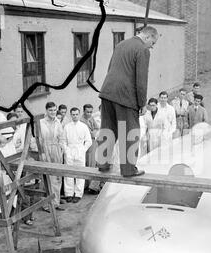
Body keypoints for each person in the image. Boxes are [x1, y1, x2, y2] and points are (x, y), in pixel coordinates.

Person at [97, 26, 159, 177]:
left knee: (108, 128)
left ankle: (103, 164)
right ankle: (129, 170)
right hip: (125, 96)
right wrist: (142, 103)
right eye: (153, 42)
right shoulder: (143, 49)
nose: (152, 46)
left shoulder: (121, 44)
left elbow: (110, 68)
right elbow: (141, 80)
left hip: (108, 92)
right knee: (130, 132)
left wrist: (110, 90)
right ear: (148, 37)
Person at [40, 102, 66, 211]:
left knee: (57, 176)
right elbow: (37, 138)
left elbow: (62, 137)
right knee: (46, 177)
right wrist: (42, 152)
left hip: (56, 150)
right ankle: (46, 204)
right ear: (46, 111)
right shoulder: (41, 122)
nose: (53, 112)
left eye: (54, 110)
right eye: (50, 110)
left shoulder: (58, 122)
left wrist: (61, 148)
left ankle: (56, 202)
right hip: (45, 150)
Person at [63, 108, 92, 203]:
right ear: (70, 115)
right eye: (73, 114)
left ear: (79, 115)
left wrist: (83, 150)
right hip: (70, 150)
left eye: (76, 114)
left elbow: (88, 141)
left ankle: (78, 194)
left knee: (80, 173)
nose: (75, 116)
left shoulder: (83, 126)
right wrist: (67, 151)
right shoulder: (67, 127)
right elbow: (63, 141)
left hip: (80, 150)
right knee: (68, 173)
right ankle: (69, 194)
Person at [81, 104, 101, 194]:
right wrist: (94, 132)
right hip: (87, 143)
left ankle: (92, 185)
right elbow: (91, 133)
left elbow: (97, 128)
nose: (89, 114)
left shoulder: (91, 118)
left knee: (94, 163)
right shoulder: (82, 120)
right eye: (87, 112)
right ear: (84, 111)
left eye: (90, 112)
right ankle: (89, 186)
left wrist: (94, 132)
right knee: (89, 164)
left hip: (94, 143)